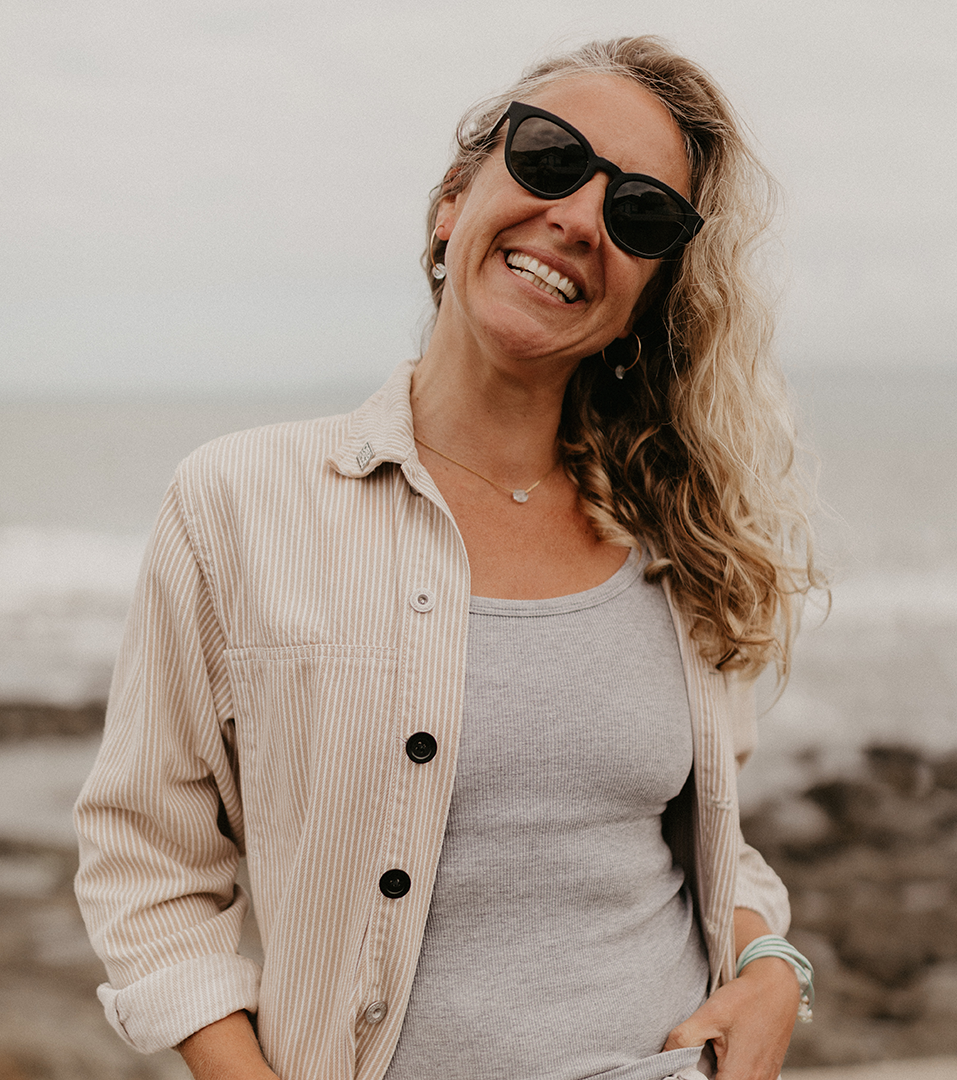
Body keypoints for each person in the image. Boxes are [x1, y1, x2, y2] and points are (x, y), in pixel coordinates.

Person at [75, 35, 821, 1080]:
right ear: (452, 200)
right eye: (551, 158)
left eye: (639, 213)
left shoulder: (674, 539)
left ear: (648, 299)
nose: (576, 219)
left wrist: (774, 966)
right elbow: (146, 864)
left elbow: (711, 848)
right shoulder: (237, 502)